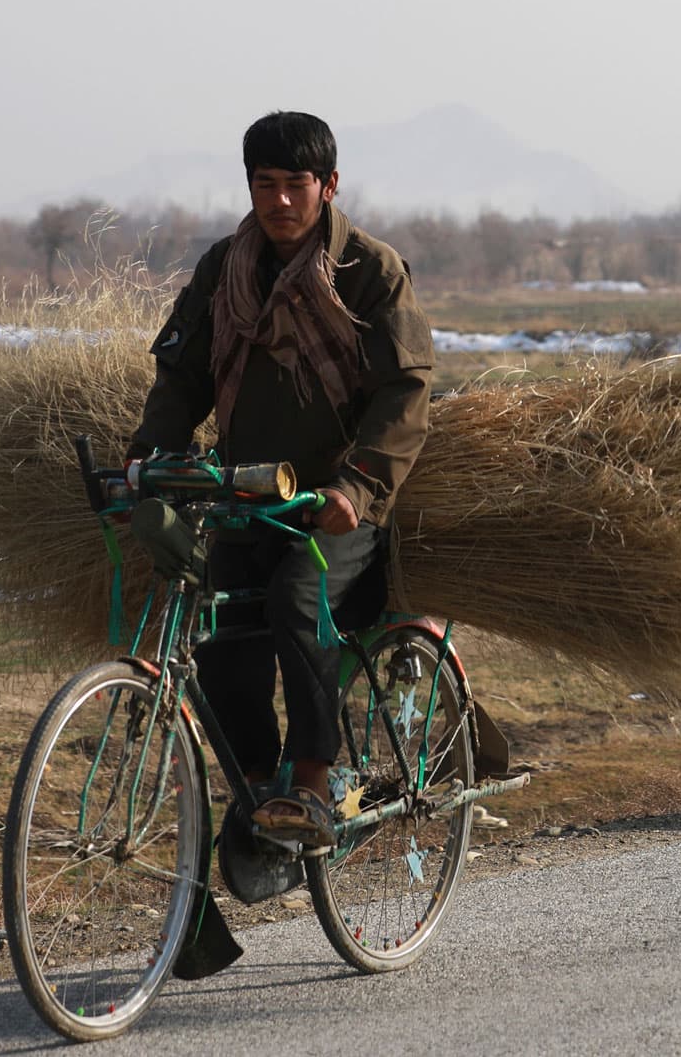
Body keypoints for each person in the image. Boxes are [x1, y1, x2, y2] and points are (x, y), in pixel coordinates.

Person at [129, 112, 434, 850]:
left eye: (296, 185)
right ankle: (266, 794)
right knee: (220, 636)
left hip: (338, 511)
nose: (281, 202)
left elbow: (406, 394)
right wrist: (147, 459)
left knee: (300, 599)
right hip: (247, 502)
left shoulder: (370, 271)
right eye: (265, 185)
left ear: (328, 186)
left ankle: (313, 783)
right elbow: (183, 376)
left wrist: (356, 490)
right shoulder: (223, 269)